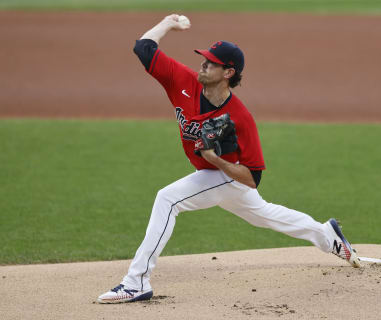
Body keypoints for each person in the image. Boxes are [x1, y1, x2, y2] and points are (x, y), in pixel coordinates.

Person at [97, 14, 360, 304]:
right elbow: (144, 48)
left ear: (228, 73)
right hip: (215, 175)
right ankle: (327, 235)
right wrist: (168, 23)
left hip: (227, 176)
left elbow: (253, 177)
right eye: (204, 58)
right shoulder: (183, 81)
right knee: (265, 215)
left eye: (211, 62)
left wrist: (218, 161)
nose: (203, 63)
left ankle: (136, 282)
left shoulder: (240, 118)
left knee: (167, 199)